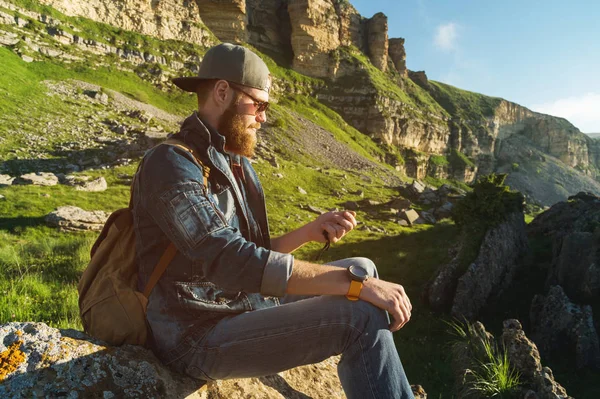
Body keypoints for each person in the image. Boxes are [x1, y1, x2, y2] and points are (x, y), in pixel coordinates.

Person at [132, 42, 414, 399]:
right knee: (359, 313)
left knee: (363, 266)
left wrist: (310, 232)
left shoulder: (235, 162)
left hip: (240, 303)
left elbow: (252, 251)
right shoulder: (170, 164)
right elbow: (228, 258)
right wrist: (351, 285)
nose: (263, 117)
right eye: (259, 104)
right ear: (222, 92)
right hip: (195, 332)